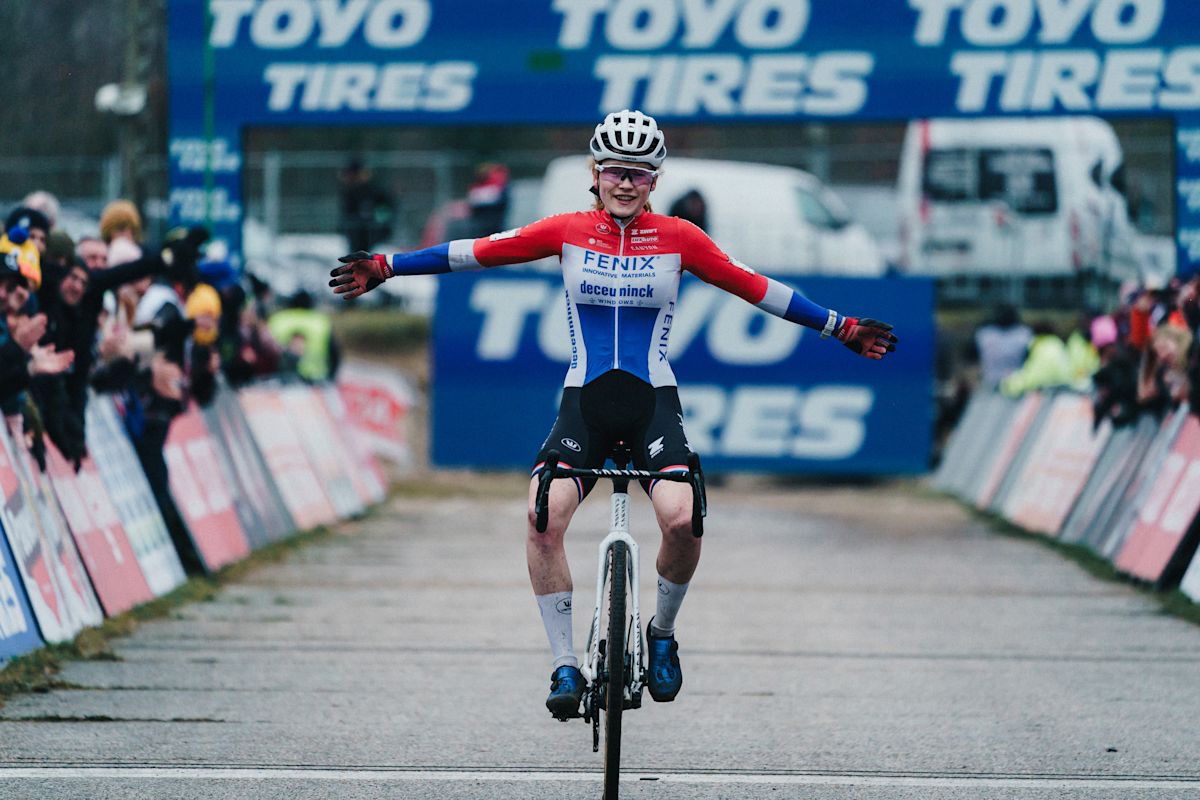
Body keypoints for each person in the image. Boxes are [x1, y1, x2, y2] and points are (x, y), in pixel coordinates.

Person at [329, 109, 898, 720]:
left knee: (682, 520)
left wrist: (838, 326)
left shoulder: (681, 237)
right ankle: (563, 663)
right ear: (594, 174)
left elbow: (755, 286)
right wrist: (389, 266)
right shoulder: (567, 229)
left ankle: (662, 634)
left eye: (638, 174)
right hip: (586, 400)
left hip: (653, 400)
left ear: (654, 181)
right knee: (541, 514)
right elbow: (477, 252)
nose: (625, 183)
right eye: (614, 172)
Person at [338, 157, 395, 253]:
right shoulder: (349, 191)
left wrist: (381, 220)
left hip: (372, 233)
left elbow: (387, 207)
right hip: (356, 233)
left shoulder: (374, 190)